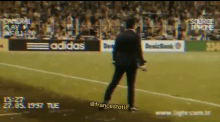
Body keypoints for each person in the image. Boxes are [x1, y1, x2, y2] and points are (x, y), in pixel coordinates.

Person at [99, 17, 147, 112]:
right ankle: (131, 106)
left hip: (120, 62)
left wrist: (114, 60)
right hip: (131, 64)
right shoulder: (135, 36)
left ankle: (105, 101)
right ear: (134, 25)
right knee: (130, 85)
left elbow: (115, 50)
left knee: (114, 82)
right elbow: (138, 51)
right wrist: (141, 63)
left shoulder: (120, 35)